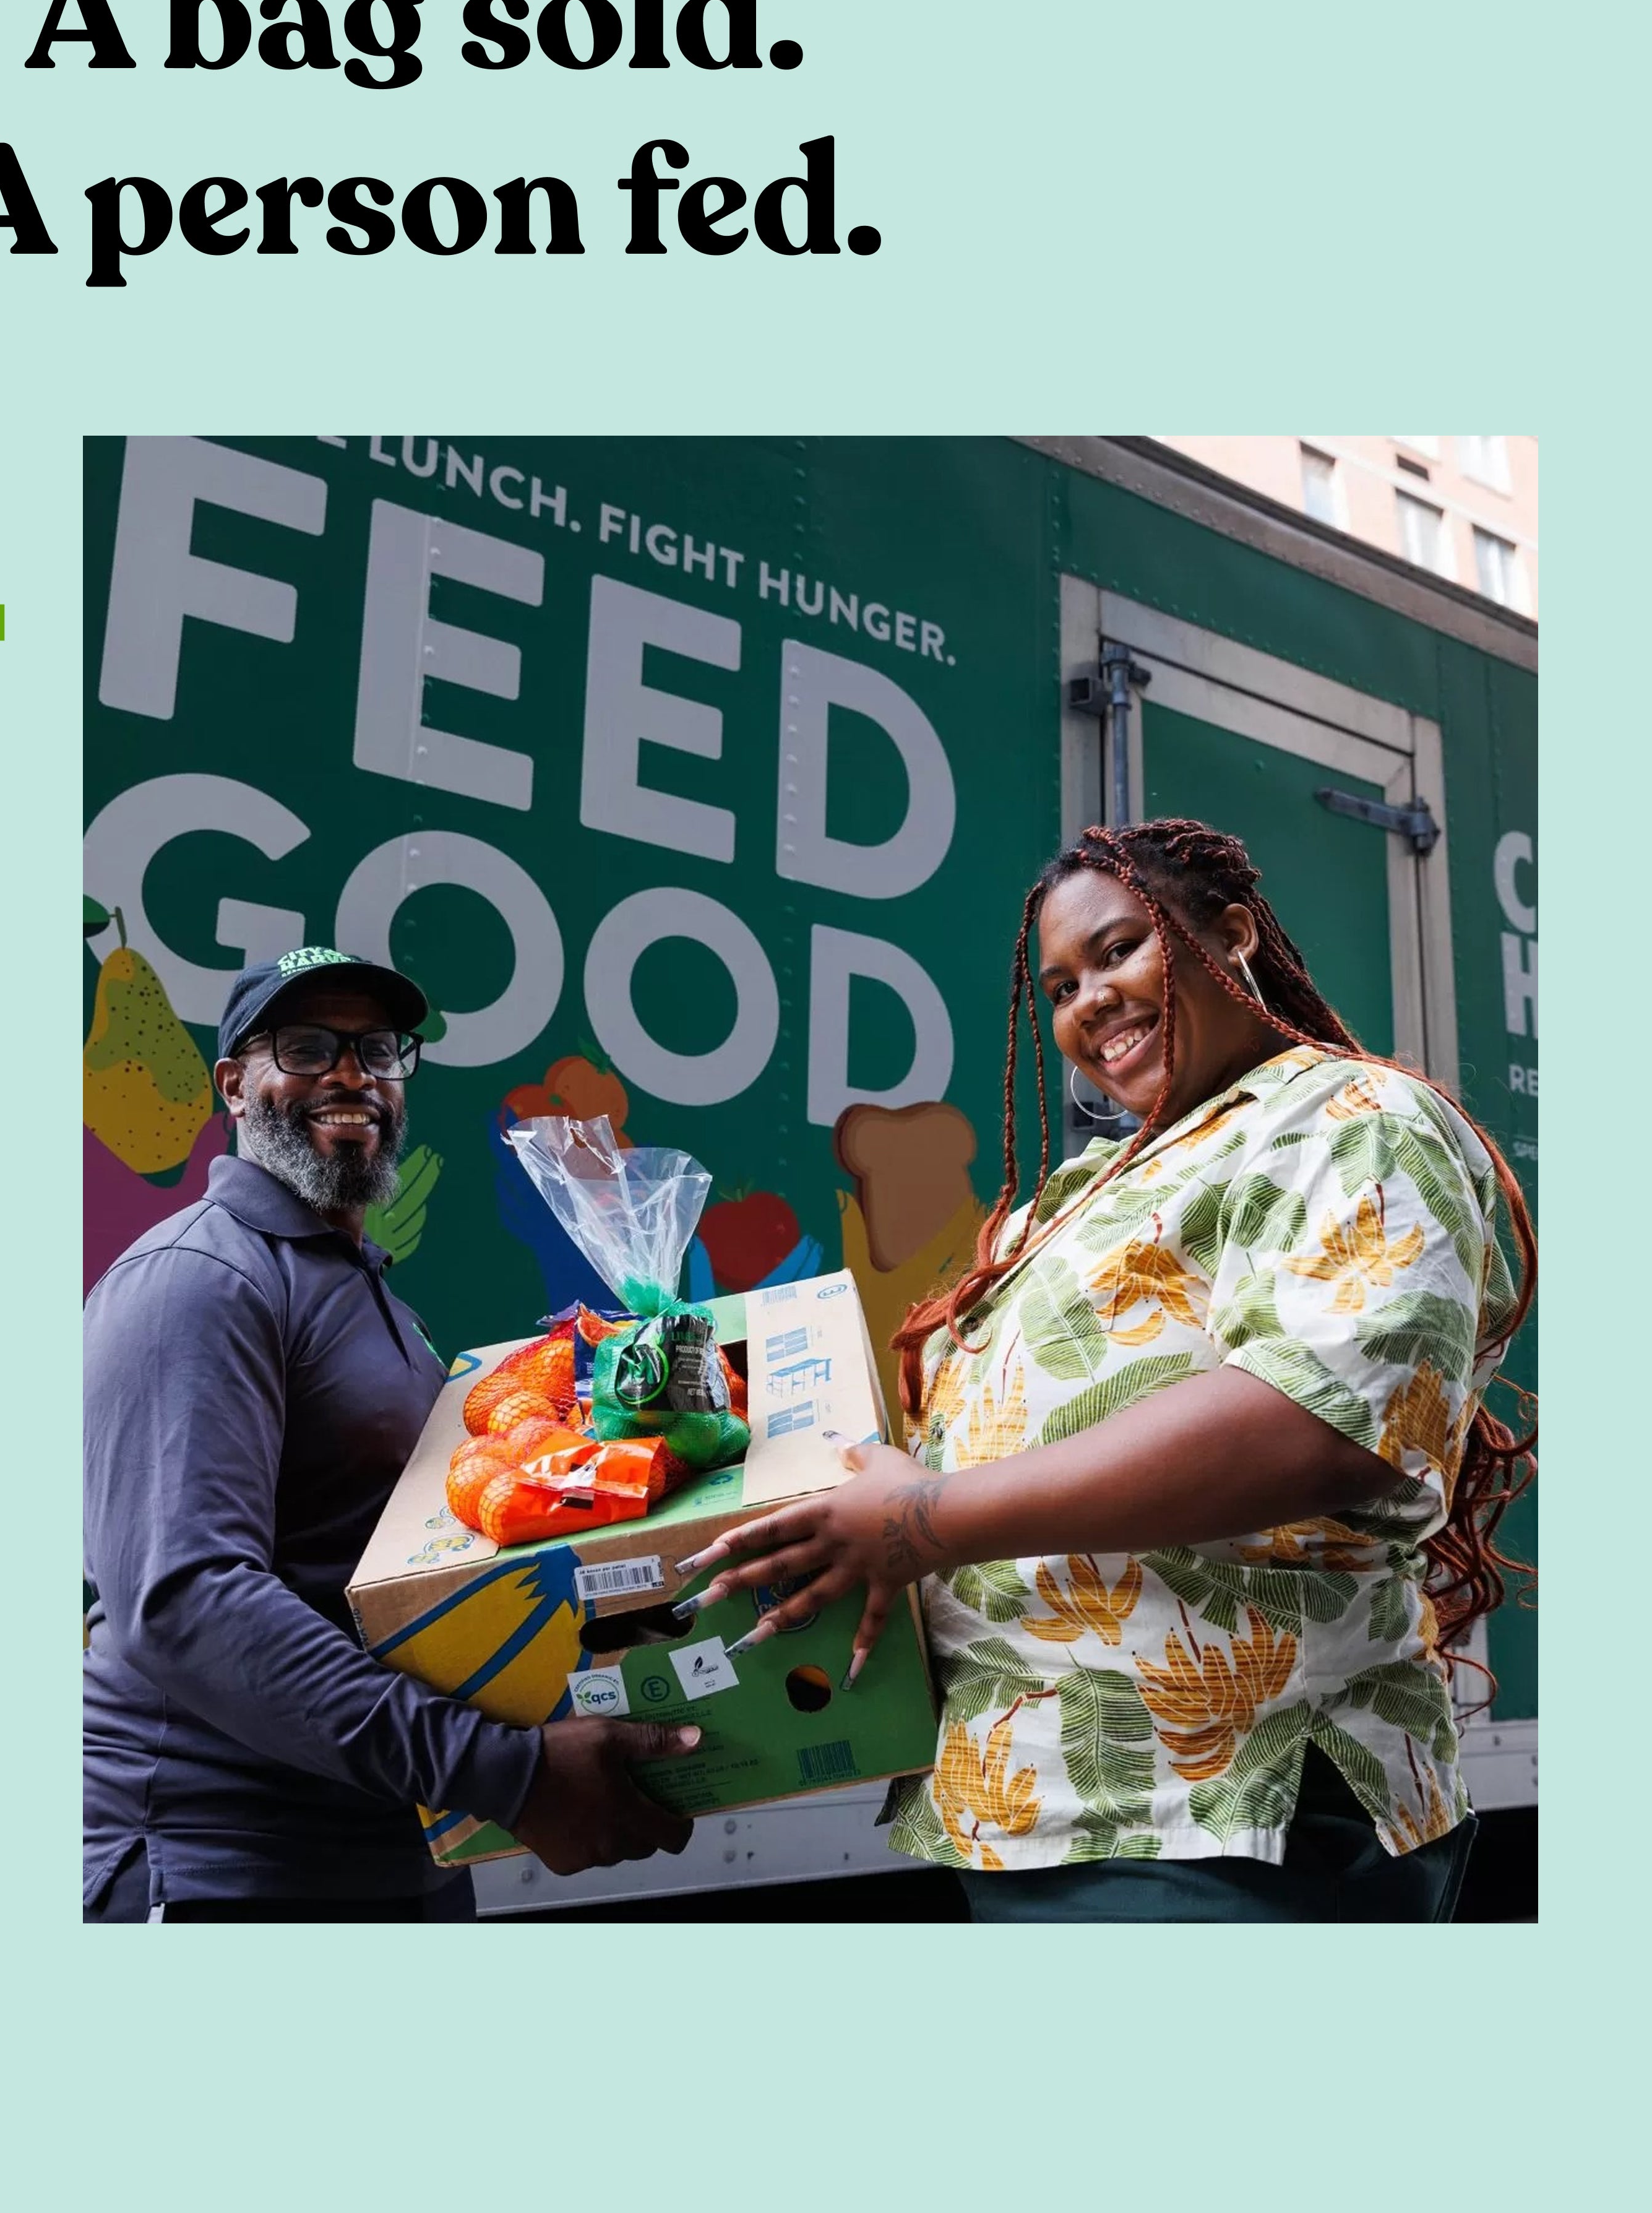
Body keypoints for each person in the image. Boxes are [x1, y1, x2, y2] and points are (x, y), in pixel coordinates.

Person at [681, 821, 1536, 1921]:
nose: (1090, 1000)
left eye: (1121, 949)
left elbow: (1316, 1421)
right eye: (1060, 985)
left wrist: (917, 1522)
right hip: (1029, 1799)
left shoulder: (1350, 1120)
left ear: (1231, 938)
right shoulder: (1072, 1195)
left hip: (1223, 1799)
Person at [83, 944, 699, 1922]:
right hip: (223, 1870)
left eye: (376, 1048)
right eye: (308, 1045)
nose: (351, 1073)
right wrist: (509, 1775)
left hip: (390, 1858)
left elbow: (429, 1583)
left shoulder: (378, 1307)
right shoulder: (200, 1280)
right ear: (233, 1086)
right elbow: (188, 1601)